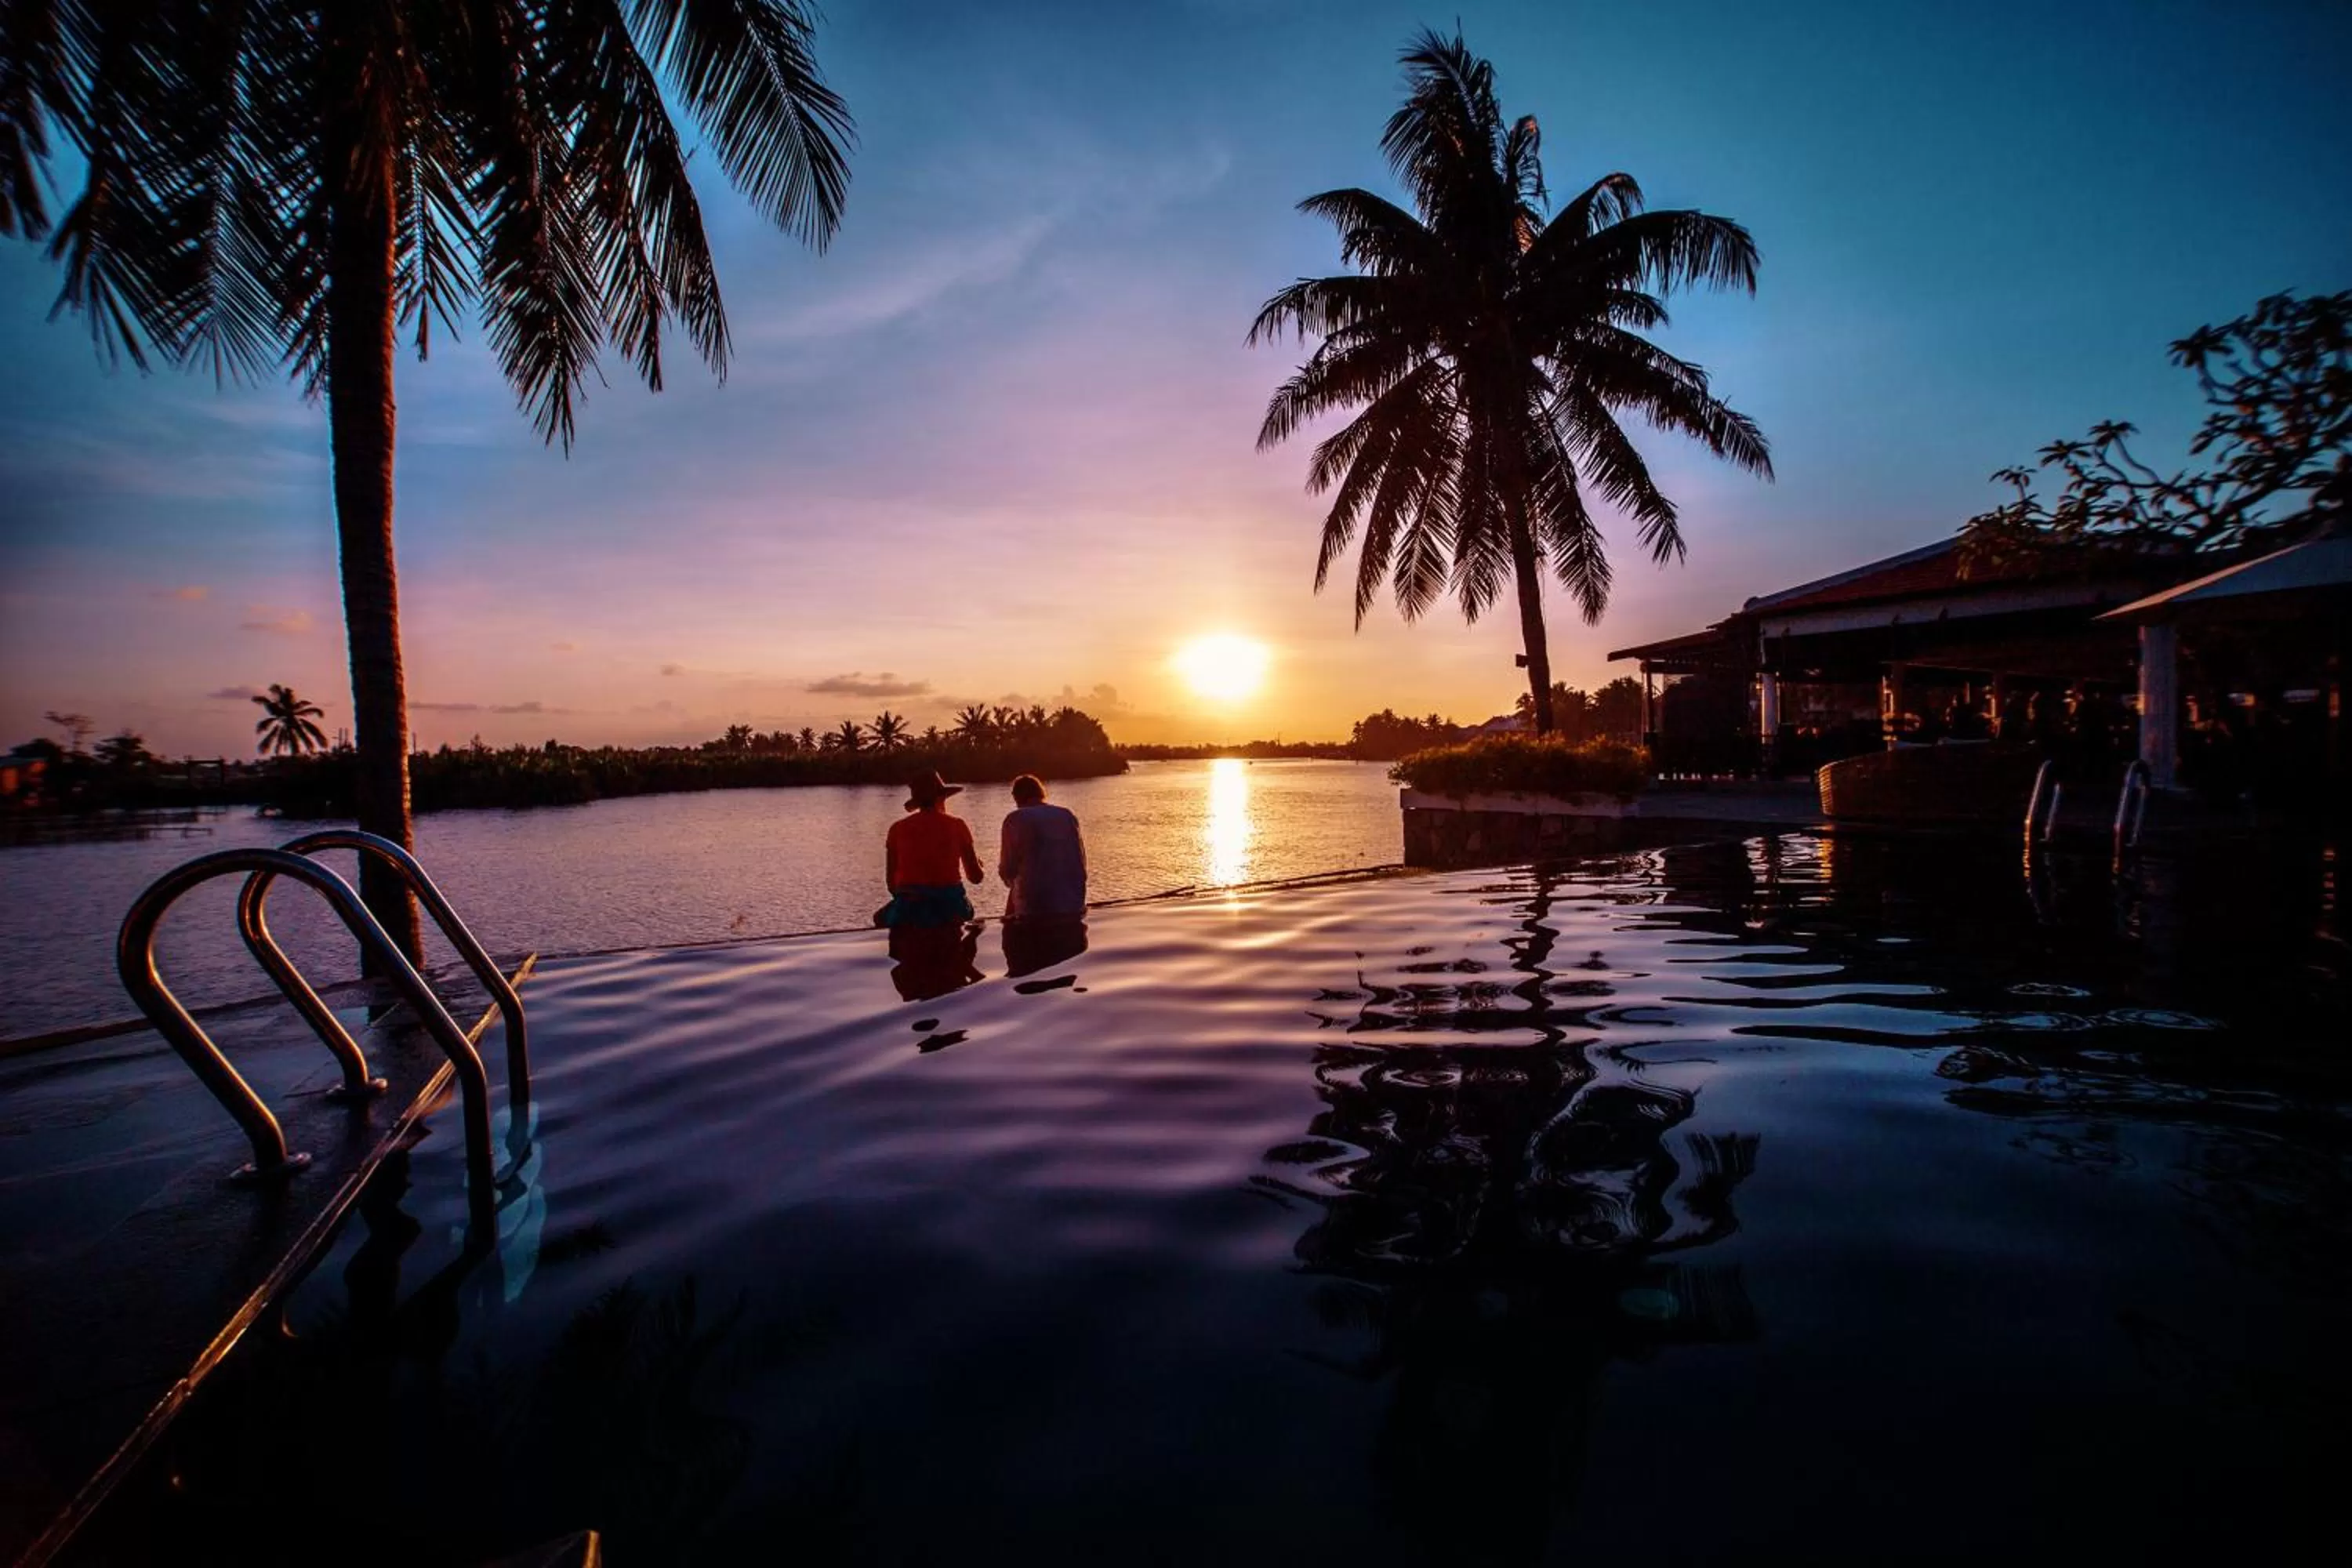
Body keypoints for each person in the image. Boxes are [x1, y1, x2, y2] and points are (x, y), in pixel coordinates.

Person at [877, 771, 983, 928]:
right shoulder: (957, 825)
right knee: (972, 916)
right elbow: (975, 878)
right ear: (940, 798)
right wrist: (979, 865)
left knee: (879, 918)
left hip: (910, 908)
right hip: (951, 907)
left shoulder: (897, 829)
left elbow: (892, 885)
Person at [998, 775, 1087, 921]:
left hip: (1035, 909)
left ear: (1017, 796)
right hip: (1074, 904)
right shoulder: (1066, 815)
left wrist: (1009, 881)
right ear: (1041, 792)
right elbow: (1081, 861)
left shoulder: (1016, 818)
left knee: (1015, 893)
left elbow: (1008, 870)